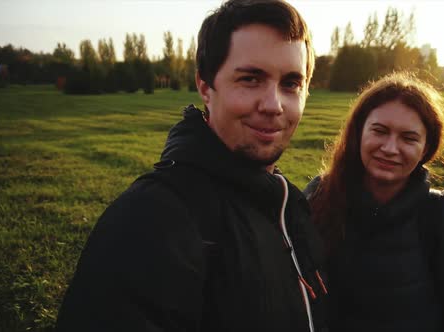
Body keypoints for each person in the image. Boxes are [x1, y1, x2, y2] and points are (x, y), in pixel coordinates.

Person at [56, 1, 328, 331]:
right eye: (250, 79)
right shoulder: (151, 218)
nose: (274, 105)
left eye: (291, 84)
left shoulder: (290, 205)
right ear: (205, 87)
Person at [304, 72, 444, 332]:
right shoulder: (319, 195)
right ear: (358, 133)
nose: (391, 148)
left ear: (427, 148)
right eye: (380, 131)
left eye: (409, 138)